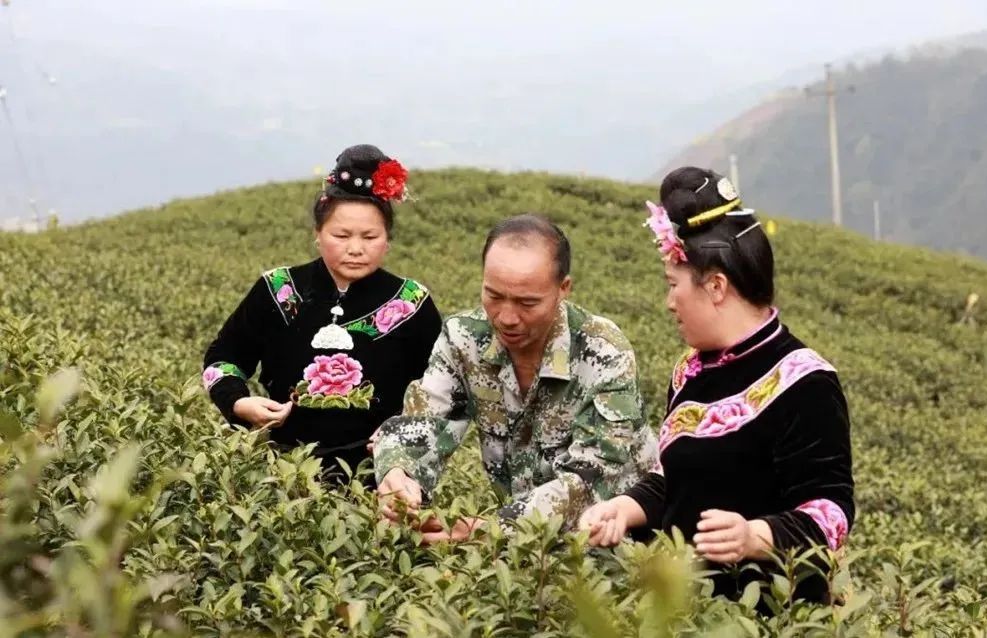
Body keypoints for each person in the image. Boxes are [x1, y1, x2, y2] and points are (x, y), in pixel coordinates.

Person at [579, 167, 854, 605]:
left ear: (716, 286)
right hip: (682, 611)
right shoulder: (690, 370)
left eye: (673, 285)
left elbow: (831, 512)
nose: (669, 302)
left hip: (767, 615)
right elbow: (677, 477)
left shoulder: (805, 381)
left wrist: (754, 536)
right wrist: (623, 509)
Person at [371, 214, 657, 542]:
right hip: (517, 546)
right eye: (494, 296)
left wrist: (484, 530)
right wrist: (399, 473)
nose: (507, 318)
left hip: (618, 539)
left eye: (527, 303)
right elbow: (424, 419)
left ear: (563, 289)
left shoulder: (603, 350)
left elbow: (592, 479)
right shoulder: (463, 338)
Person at [202, 144, 442, 483]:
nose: (355, 248)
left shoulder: (411, 302)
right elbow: (221, 359)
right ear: (318, 235)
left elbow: (441, 387)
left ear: (387, 239)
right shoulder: (278, 288)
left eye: (370, 236)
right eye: (341, 235)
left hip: (383, 478)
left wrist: (403, 436)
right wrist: (239, 403)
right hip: (284, 475)